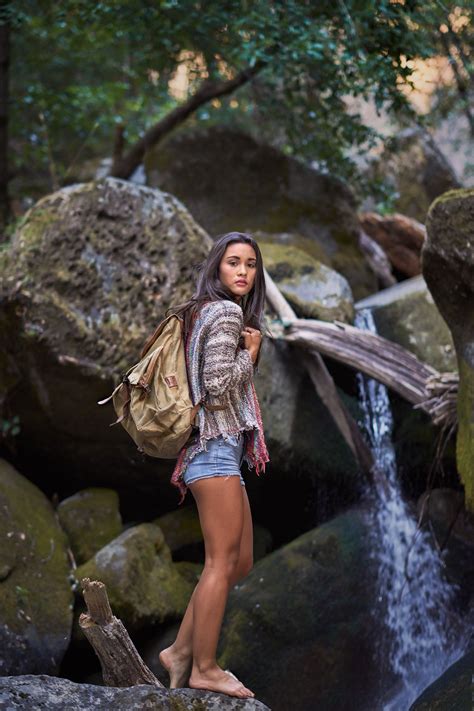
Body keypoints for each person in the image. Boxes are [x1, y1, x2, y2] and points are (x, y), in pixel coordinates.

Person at [158, 231, 270, 699]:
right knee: (220, 562)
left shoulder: (205, 312)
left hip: (218, 451)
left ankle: (180, 651)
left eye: (250, 264)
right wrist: (250, 353)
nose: (243, 271)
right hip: (214, 448)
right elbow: (218, 384)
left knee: (238, 560)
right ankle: (204, 666)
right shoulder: (224, 312)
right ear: (217, 269)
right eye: (233, 263)